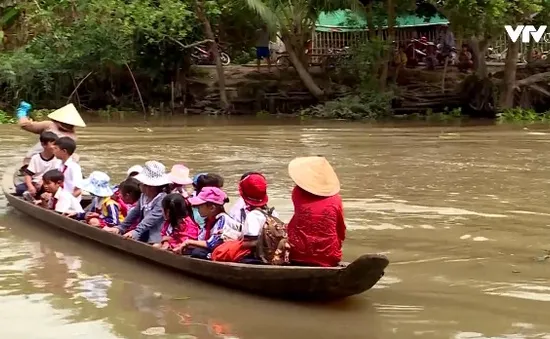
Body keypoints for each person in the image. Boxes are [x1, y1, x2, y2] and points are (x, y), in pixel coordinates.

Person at [286, 156, 346, 267]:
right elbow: (341, 230)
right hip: (329, 256)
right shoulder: (336, 199)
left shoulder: (297, 193)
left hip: (297, 254)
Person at [105, 161, 170, 243]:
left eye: (141, 184)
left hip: (156, 235)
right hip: (143, 233)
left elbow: (151, 219)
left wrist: (136, 232)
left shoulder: (162, 199)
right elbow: (135, 213)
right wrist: (121, 227)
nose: (140, 186)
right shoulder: (144, 196)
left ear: (150, 186)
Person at [174, 187, 240, 259]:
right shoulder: (209, 221)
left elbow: (212, 244)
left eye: (200, 206)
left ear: (212, 208)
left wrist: (188, 242)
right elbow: (201, 240)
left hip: (227, 251)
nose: (197, 208)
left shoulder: (222, 219)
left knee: (198, 252)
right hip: (214, 248)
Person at [17, 102, 86, 166]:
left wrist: (22, 114)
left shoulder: (49, 125)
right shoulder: (73, 136)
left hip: (41, 160)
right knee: (75, 157)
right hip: (47, 161)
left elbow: (25, 125)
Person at [17, 131, 60, 197]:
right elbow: (28, 174)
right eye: (53, 144)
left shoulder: (57, 159)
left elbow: (54, 176)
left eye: (56, 145)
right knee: (20, 188)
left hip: (48, 184)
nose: (55, 147)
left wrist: (43, 181)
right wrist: (30, 186)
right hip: (35, 182)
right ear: (43, 145)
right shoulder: (36, 158)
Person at [53, 136, 82, 201]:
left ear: (64, 151)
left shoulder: (74, 168)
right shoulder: (58, 164)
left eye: (56, 148)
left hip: (70, 202)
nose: (53, 151)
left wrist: (67, 201)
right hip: (59, 198)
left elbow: (79, 190)